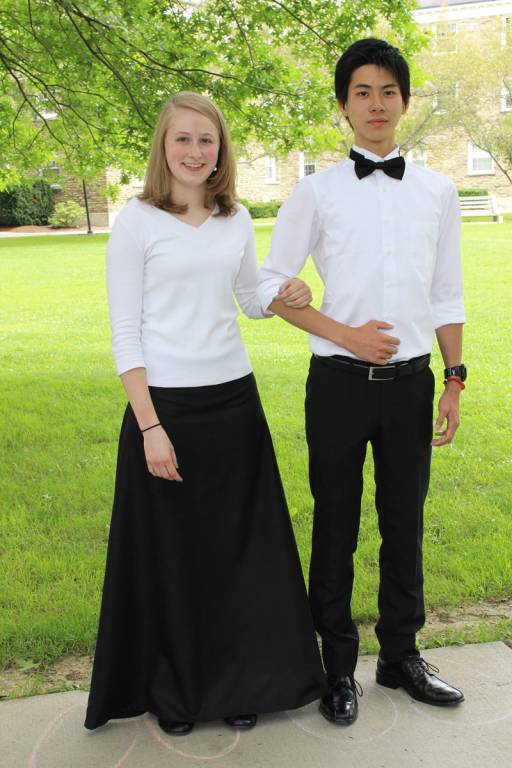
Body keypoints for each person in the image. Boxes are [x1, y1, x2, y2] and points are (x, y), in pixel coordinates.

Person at [84, 91, 326, 735]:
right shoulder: (136, 222)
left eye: (207, 139)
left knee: (236, 556)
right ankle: (177, 692)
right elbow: (125, 333)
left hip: (233, 405)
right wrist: (150, 427)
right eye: (183, 139)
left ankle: (238, 684)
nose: (195, 151)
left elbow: (248, 296)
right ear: (163, 147)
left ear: (221, 150)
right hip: (166, 410)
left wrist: (283, 291)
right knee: (175, 558)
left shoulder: (235, 217)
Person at [257, 38, 466, 726]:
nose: (376, 104)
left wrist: (453, 379)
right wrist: (344, 333)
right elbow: (268, 288)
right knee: (336, 527)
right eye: (362, 93)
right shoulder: (315, 192)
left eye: (388, 92)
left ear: (405, 101)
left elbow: (447, 293)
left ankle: (401, 656)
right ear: (344, 106)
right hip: (338, 386)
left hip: (412, 386)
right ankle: (336, 667)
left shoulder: (437, 191)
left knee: (404, 524)